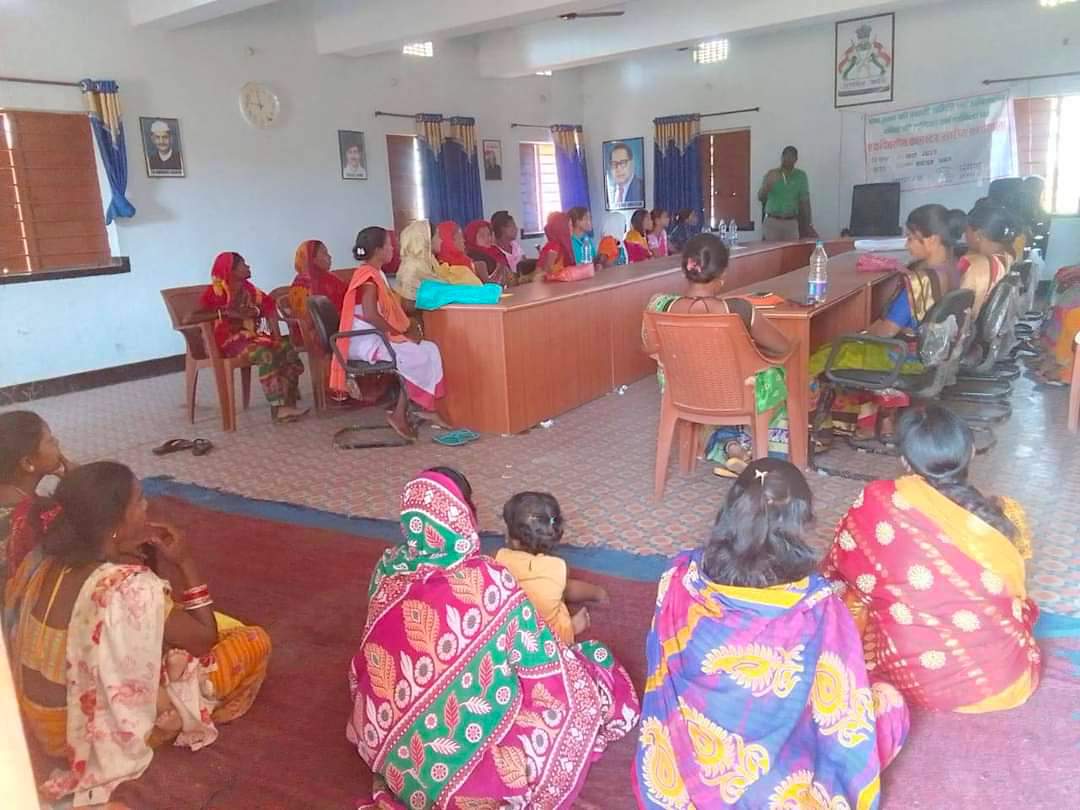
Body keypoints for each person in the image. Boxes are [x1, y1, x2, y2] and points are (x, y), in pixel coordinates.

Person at [347, 468, 640, 809]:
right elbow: (541, 663)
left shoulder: (387, 567)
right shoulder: (484, 579)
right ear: (462, 516)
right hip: (465, 777)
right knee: (595, 665)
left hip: (384, 741)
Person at [634, 459, 909, 810]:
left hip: (682, 777)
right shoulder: (818, 607)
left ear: (730, 510)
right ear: (800, 522)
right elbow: (839, 702)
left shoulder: (677, 581)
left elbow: (660, 670)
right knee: (888, 701)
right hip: (779, 792)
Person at [4, 462, 270, 807]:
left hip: (40, 722)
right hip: (82, 736)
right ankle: (179, 714)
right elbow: (204, 638)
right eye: (140, 501)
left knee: (196, 624)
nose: (147, 508)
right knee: (251, 640)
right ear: (115, 525)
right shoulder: (129, 587)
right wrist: (185, 563)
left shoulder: (39, 561)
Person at [823, 405, 1040, 713]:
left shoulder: (878, 501)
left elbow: (838, 567)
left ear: (903, 461)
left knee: (846, 593)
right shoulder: (1006, 516)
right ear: (973, 451)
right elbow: (1017, 597)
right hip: (1006, 682)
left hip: (908, 683)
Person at [808, 204, 965, 442]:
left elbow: (886, 331)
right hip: (933, 357)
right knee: (844, 346)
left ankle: (813, 427)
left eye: (912, 238)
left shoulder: (919, 282)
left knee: (825, 353)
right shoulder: (952, 271)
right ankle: (865, 420)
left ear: (932, 240)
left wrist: (861, 332)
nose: (906, 244)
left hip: (904, 358)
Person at [644, 233, 792, 473]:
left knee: (712, 391)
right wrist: (751, 350)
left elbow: (650, 346)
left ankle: (732, 449)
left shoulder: (658, 304)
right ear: (723, 275)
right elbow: (782, 347)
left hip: (683, 394)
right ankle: (771, 466)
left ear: (685, 269)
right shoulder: (738, 309)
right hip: (735, 397)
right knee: (778, 377)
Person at [330, 226, 445, 441]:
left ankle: (425, 406)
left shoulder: (376, 273)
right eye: (389, 245)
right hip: (365, 341)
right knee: (415, 355)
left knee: (430, 349)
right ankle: (399, 414)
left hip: (376, 335)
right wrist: (398, 333)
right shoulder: (368, 278)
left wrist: (401, 332)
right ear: (378, 250)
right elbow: (371, 315)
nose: (393, 248)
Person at [189, 252, 307, 423]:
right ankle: (280, 407)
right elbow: (192, 317)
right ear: (231, 270)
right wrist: (225, 312)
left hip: (251, 337)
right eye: (243, 264)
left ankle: (286, 404)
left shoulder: (249, 290)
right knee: (265, 353)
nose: (248, 267)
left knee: (286, 348)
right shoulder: (216, 292)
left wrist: (276, 335)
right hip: (227, 342)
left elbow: (270, 306)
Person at [497, 491, 609, 645]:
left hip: (505, 637)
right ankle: (573, 627)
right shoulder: (557, 568)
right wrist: (598, 593)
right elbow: (569, 588)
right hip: (546, 642)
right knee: (559, 592)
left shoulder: (498, 559)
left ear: (513, 540)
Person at [0, 412, 72, 587]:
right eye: (49, 440)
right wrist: (78, 485)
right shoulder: (41, 516)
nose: (57, 443)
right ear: (27, 463)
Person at [394, 220, 479, 306]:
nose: (441, 240)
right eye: (437, 236)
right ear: (427, 240)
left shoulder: (430, 262)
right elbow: (408, 305)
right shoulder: (412, 268)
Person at [960, 203, 1016, 315]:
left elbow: (956, 304)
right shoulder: (1008, 257)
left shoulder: (971, 264)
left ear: (977, 235)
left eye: (966, 230)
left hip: (969, 327)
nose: (964, 235)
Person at [759, 146, 815, 242]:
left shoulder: (801, 176)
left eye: (792, 156)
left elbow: (805, 201)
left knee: (792, 253)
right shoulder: (772, 174)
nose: (788, 159)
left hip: (791, 222)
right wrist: (768, 186)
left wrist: (809, 224)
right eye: (786, 156)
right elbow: (760, 197)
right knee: (773, 254)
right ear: (782, 157)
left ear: (796, 159)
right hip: (773, 222)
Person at [289, 239, 347, 317]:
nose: (330, 257)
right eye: (324, 253)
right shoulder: (308, 283)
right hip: (324, 326)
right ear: (313, 259)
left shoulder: (327, 276)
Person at [537, 211, 582, 280]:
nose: (572, 228)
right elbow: (542, 274)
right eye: (569, 225)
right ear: (562, 227)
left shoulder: (567, 244)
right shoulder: (554, 246)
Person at [463, 219, 509, 283]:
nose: (488, 238)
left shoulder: (496, 251)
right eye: (482, 236)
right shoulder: (473, 256)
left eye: (489, 234)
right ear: (472, 238)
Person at [490, 210, 531, 277]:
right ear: (502, 229)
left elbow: (526, 265)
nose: (516, 229)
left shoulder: (515, 245)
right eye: (513, 226)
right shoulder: (494, 250)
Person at [606, 141, 645, 208]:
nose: (618, 168)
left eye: (623, 163)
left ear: (632, 163)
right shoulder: (608, 190)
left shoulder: (641, 187)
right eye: (614, 163)